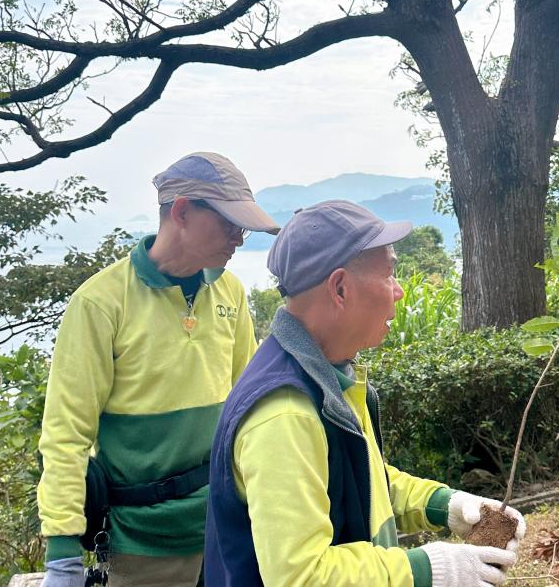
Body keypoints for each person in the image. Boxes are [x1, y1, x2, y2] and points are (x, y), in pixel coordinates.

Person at [205, 200, 526, 586]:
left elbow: (358, 481)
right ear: (340, 288)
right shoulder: (286, 412)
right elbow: (300, 576)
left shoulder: (328, 375)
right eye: (389, 273)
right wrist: (426, 569)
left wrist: (445, 506)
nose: (400, 291)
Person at [37, 152, 279, 586]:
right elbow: (65, 434)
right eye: (229, 223)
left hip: (224, 527)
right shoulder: (100, 303)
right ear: (183, 211)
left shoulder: (230, 290)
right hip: (141, 542)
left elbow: (252, 406)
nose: (239, 238)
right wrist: (62, 553)